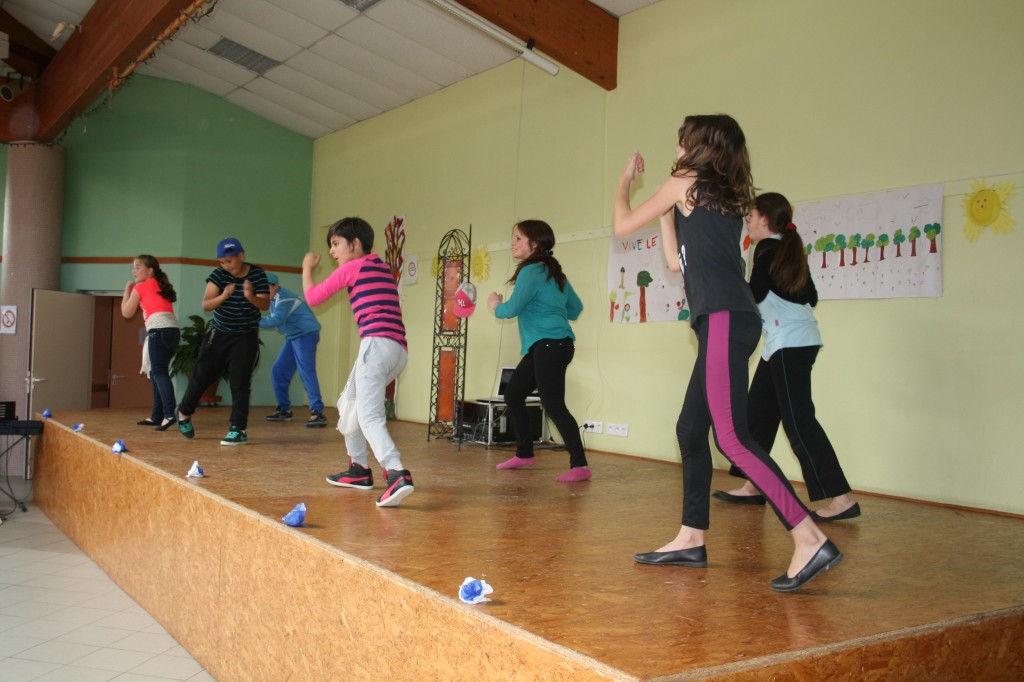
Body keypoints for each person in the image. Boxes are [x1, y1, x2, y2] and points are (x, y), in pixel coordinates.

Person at [613, 114, 841, 592]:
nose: (676, 144)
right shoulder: (717, 196)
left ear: (699, 145)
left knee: (732, 438)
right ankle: (690, 537)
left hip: (721, 318)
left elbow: (620, 226)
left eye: (682, 138)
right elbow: (675, 262)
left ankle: (808, 537)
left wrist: (625, 182)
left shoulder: (685, 181)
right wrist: (664, 210)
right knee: (691, 427)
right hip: (730, 320)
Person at [712, 192, 859, 522]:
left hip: (789, 345)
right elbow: (811, 296)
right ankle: (754, 485)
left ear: (765, 219)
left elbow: (756, 294)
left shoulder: (767, 251)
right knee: (759, 414)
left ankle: (842, 497)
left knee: (799, 421)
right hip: (786, 343)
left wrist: (721, 283)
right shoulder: (784, 250)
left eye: (750, 217)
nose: (747, 222)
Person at [303, 217, 414, 508]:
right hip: (397, 350)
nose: (332, 252)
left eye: (336, 244)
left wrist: (306, 269)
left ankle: (396, 474)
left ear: (355, 244)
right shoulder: (379, 266)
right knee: (348, 403)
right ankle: (359, 470)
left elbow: (314, 297)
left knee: (368, 416)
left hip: (376, 346)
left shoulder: (353, 267)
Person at [486, 220, 590, 482]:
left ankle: (580, 465)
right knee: (514, 394)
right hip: (551, 346)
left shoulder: (531, 272)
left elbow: (510, 310)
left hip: (548, 346)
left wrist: (495, 304)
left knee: (554, 405)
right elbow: (575, 309)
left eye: (518, 238)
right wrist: (551, 309)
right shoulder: (555, 274)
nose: (513, 242)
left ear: (535, 244)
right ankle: (524, 453)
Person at [177, 238, 270, 445]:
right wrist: (224, 296)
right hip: (219, 334)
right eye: (222, 262)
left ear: (241, 255)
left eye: (229, 261)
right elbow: (206, 305)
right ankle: (183, 412)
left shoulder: (257, 274)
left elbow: (264, 305)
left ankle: (238, 428)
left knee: (240, 383)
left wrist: (249, 296)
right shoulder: (218, 275)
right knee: (202, 377)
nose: (226, 266)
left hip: (245, 336)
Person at [259, 272, 327, 428]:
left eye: (266, 288)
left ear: (275, 286)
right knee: (279, 371)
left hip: (306, 335)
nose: (262, 292)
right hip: (293, 336)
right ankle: (284, 410)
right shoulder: (274, 299)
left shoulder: (284, 298)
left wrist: (250, 320)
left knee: (306, 371)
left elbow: (276, 320)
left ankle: (318, 412)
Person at [121, 255, 180, 431]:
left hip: (159, 332)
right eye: (134, 267)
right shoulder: (161, 286)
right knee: (156, 373)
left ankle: (169, 414)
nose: (134, 271)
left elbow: (126, 312)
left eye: (138, 267)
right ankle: (157, 415)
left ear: (150, 270)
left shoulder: (141, 287)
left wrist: (127, 291)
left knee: (159, 372)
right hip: (172, 332)